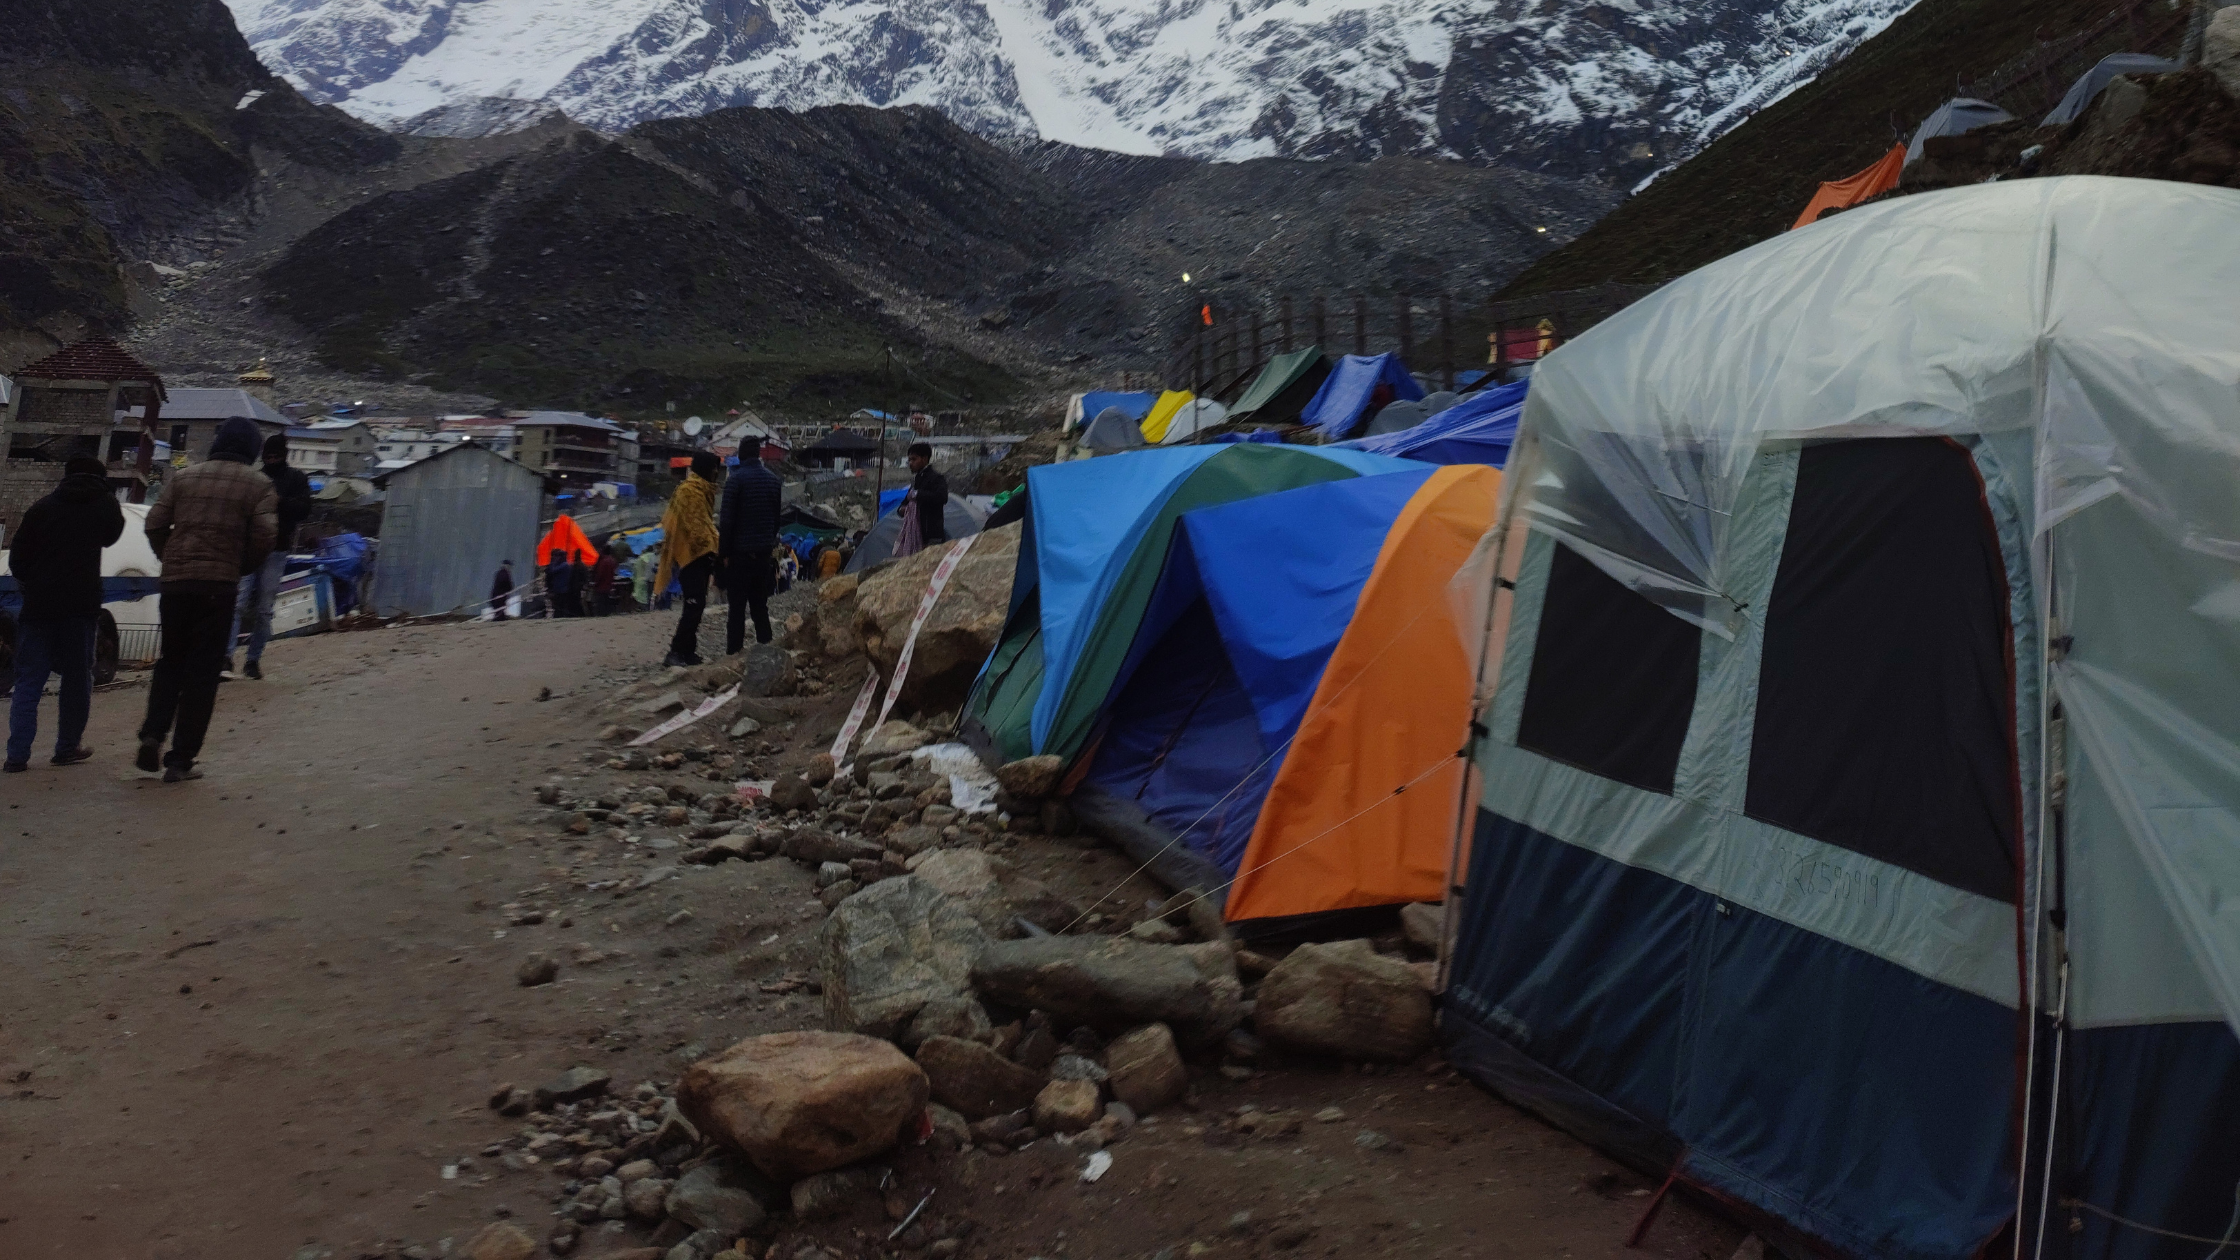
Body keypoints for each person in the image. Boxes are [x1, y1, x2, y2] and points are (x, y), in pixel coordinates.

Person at [138, 417, 278, 782]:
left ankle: (152, 734)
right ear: (252, 450)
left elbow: (153, 523)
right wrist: (238, 566)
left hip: (176, 585)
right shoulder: (259, 485)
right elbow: (265, 537)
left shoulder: (185, 477)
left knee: (171, 661)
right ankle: (180, 760)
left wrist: (170, 557)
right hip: (218, 586)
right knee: (202, 672)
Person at [5, 457, 124, 772]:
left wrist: (32, 585)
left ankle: (17, 756)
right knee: (76, 678)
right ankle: (66, 748)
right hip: (80, 608)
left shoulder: (41, 508)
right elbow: (113, 535)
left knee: (29, 679)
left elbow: (17, 559)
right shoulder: (104, 506)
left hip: (39, 607)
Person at [226, 434, 311, 680]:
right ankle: (227, 657)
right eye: (268, 456)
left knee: (264, 609)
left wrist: (280, 503)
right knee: (238, 604)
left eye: (275, 456)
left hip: (277, 549)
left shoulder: (295, 478)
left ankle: (253, 660)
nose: (271, 460)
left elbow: (304, 509)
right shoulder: (256, 478)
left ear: (283, 456)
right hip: (251, 547)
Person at [655, 453, 721, 667]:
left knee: (697, 604)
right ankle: (675, 652)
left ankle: (688, 652)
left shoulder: (702, 491)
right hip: (690, 556)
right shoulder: (689, 491)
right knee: (694, 604)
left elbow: (704, 524)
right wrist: (712, 544)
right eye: (713, 468)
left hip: (701, 557)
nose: (716, 473)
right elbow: (695, 528)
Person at [718, 451, 782, 653]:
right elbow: (776, 518)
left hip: (739, 555)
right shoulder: (773, 481)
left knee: (736, 609)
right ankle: (767, 648)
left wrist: (723, 553)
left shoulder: (735, 480)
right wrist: (768, 543)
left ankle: (733, 652)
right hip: (762, 555)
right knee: (760, 606)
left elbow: (726, 521)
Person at [907, 442, 949, 545]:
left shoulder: (936, 478)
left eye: (914, 459)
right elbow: (907, 499)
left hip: (932, 536)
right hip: (916, 534)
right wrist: (902, 509)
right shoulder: (916, 479)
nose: (911, 463)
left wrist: (919, 494)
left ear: (924, 459)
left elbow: (942, 497)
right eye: (909, 460)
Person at [590, 545, 619, 617]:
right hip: (609, 585)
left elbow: (600, 574)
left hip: (601, 586)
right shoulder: (612, 560)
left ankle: (600, 615)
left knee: (600, 602)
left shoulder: (603, 561)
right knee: (606, 601)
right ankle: (606, 614)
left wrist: (596, 583)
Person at [546, 549, 575, 617]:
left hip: (562, 589)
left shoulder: (564, 565)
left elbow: (552, 571)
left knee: (560, 605)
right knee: (557, 605)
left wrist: (553, 562)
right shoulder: (563, 565)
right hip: (559, 588)